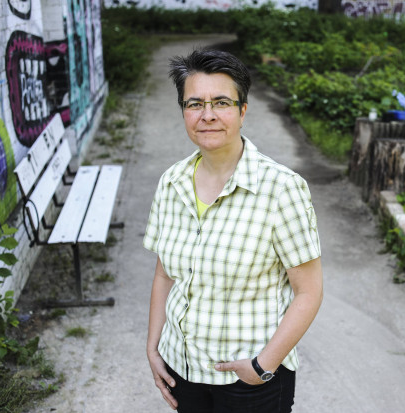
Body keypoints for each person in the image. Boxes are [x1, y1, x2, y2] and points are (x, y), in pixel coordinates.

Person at [143, 48, 323, 413]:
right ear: (183, 111)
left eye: (221, 103)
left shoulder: (281, 189)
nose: (207, 115)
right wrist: (154, 346)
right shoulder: (172, 182)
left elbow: (309, 291)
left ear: (242, 111)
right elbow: (164, 273)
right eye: (195, 104)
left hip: (250, 380)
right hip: (183, 368)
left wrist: (262, 366)